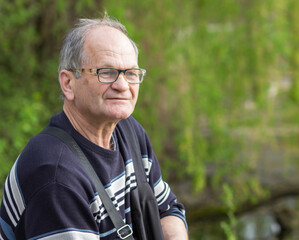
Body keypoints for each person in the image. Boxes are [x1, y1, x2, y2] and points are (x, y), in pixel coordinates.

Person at [0, 15, 188, 240]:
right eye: (106, 72)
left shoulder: (129, 132)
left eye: (130, 73)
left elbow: (167, 209)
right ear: (68, 83)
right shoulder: (55, 175)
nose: (122, 85)